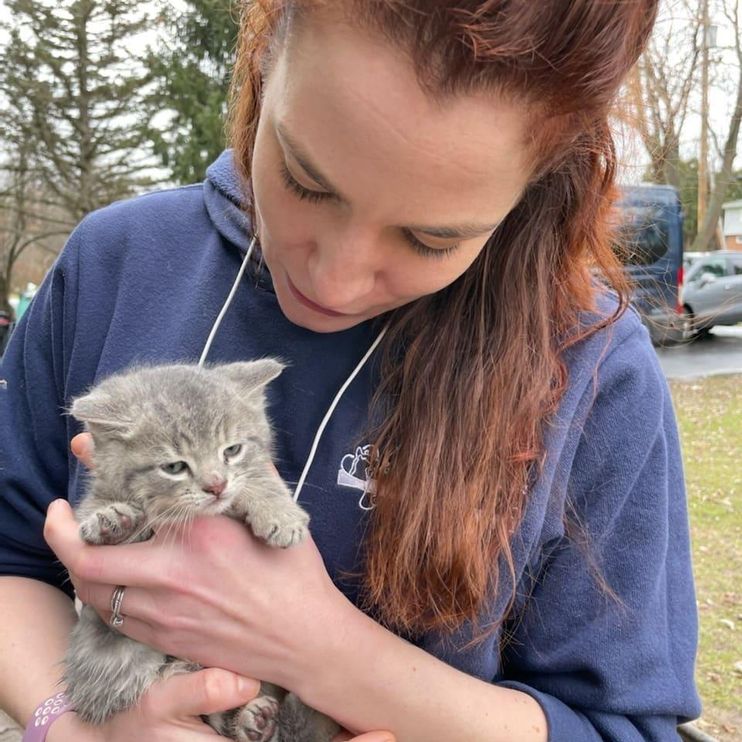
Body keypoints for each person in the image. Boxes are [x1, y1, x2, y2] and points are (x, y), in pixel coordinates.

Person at [0, 1, 701, 740]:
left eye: (430, 238)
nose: (333, 280)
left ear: (533, 189)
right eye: (307, 181)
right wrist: (69, 727)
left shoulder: (597, 373)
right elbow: (12, 556)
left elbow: (621, 723)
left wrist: (322, 649)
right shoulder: (118, 265)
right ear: (264, 63)